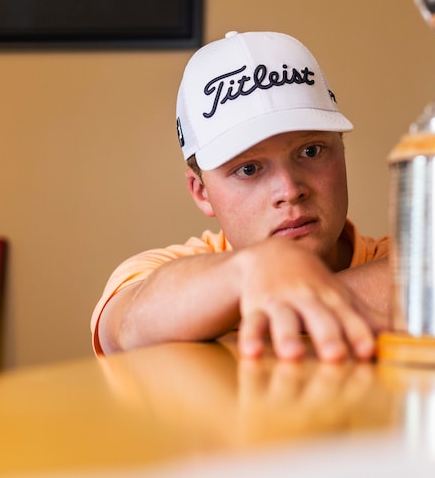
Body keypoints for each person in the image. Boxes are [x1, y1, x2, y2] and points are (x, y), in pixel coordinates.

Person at [91, 31, 391, 362]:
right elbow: (124, 326)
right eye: (248, 170)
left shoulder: (404, 256)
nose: (290, 191)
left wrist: (273, 292)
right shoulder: (157, 271)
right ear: (201, 192)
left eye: (311, 150)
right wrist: (252, 271)